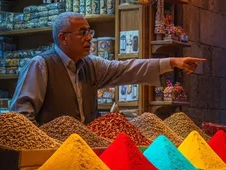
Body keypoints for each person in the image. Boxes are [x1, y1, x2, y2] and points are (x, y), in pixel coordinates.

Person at [11, 12, 205, 124]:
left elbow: (127, 69)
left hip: (84, 152)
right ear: (63, 38)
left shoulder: (91, 65)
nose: (90, 37)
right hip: (50, 155)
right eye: (83, 33)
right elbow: (22, 116)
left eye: (90, 32)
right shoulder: (41, 65)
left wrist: (171, 62)